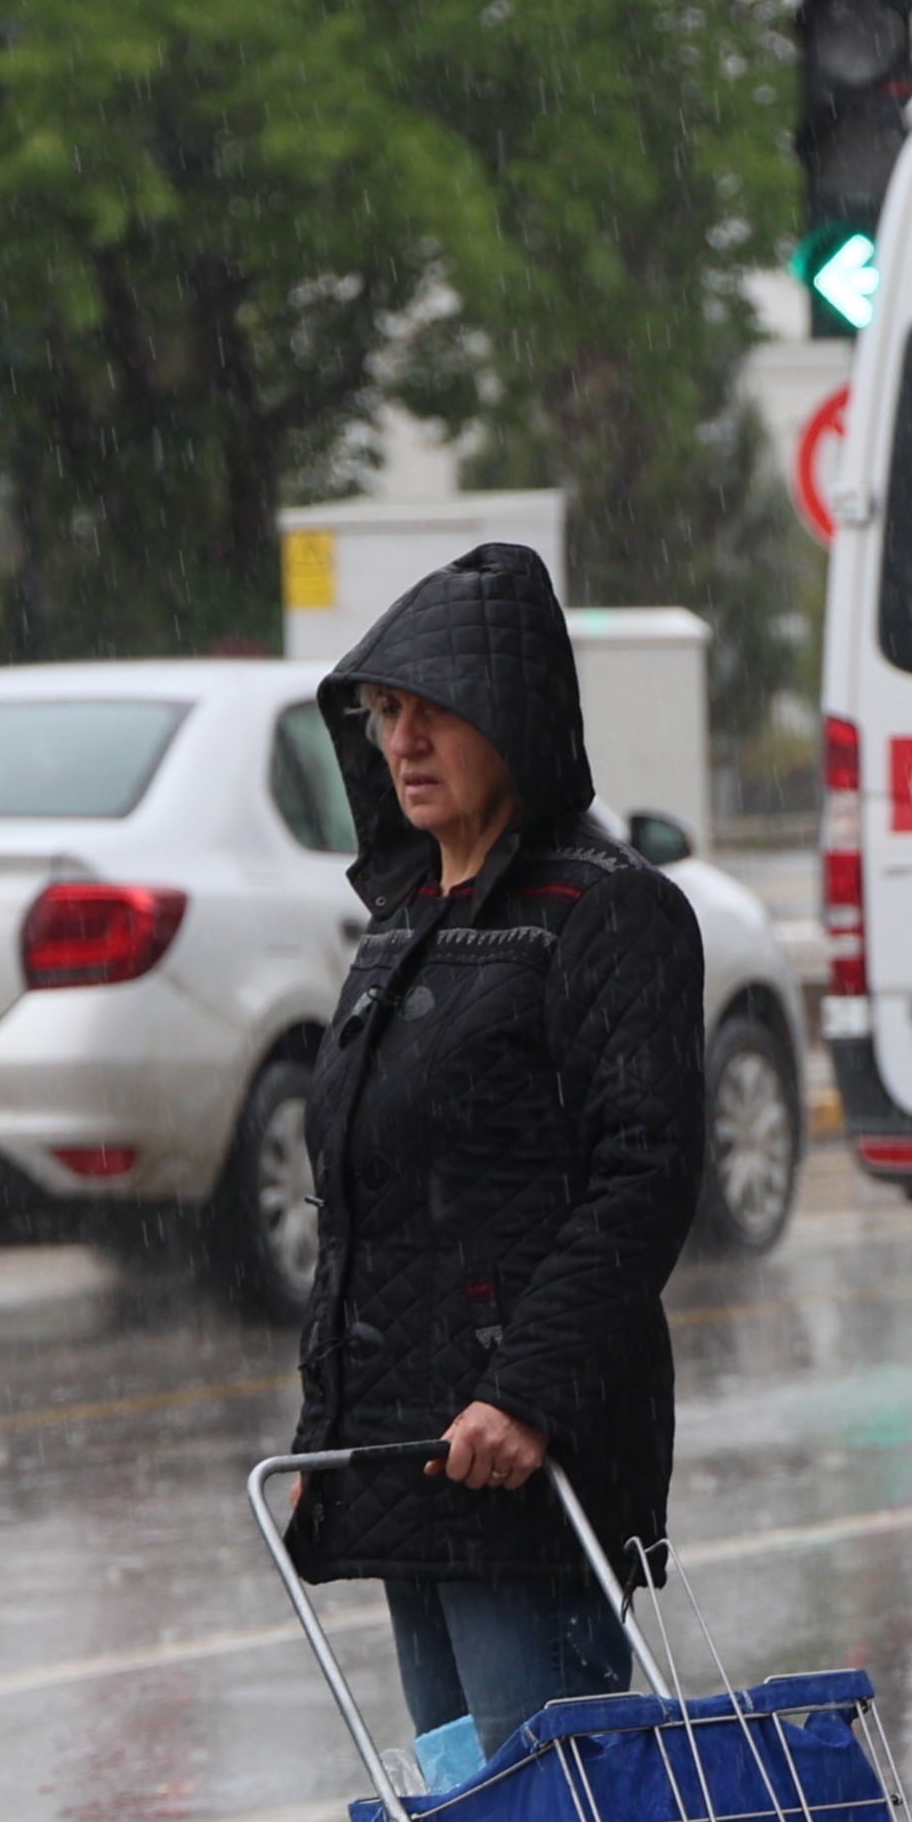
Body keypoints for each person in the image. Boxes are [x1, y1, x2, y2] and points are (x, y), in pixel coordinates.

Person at [284, 542, 706, 1752]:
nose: (401, 743)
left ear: (510, 720)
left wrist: (524, 1392)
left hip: (530, 1464)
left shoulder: (608, 910)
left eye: (435, 713)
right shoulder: (402, 923)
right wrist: (326, 1426)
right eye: (385, 715)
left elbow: (642, 1177)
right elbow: (361, 1205)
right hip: (412, 1459)